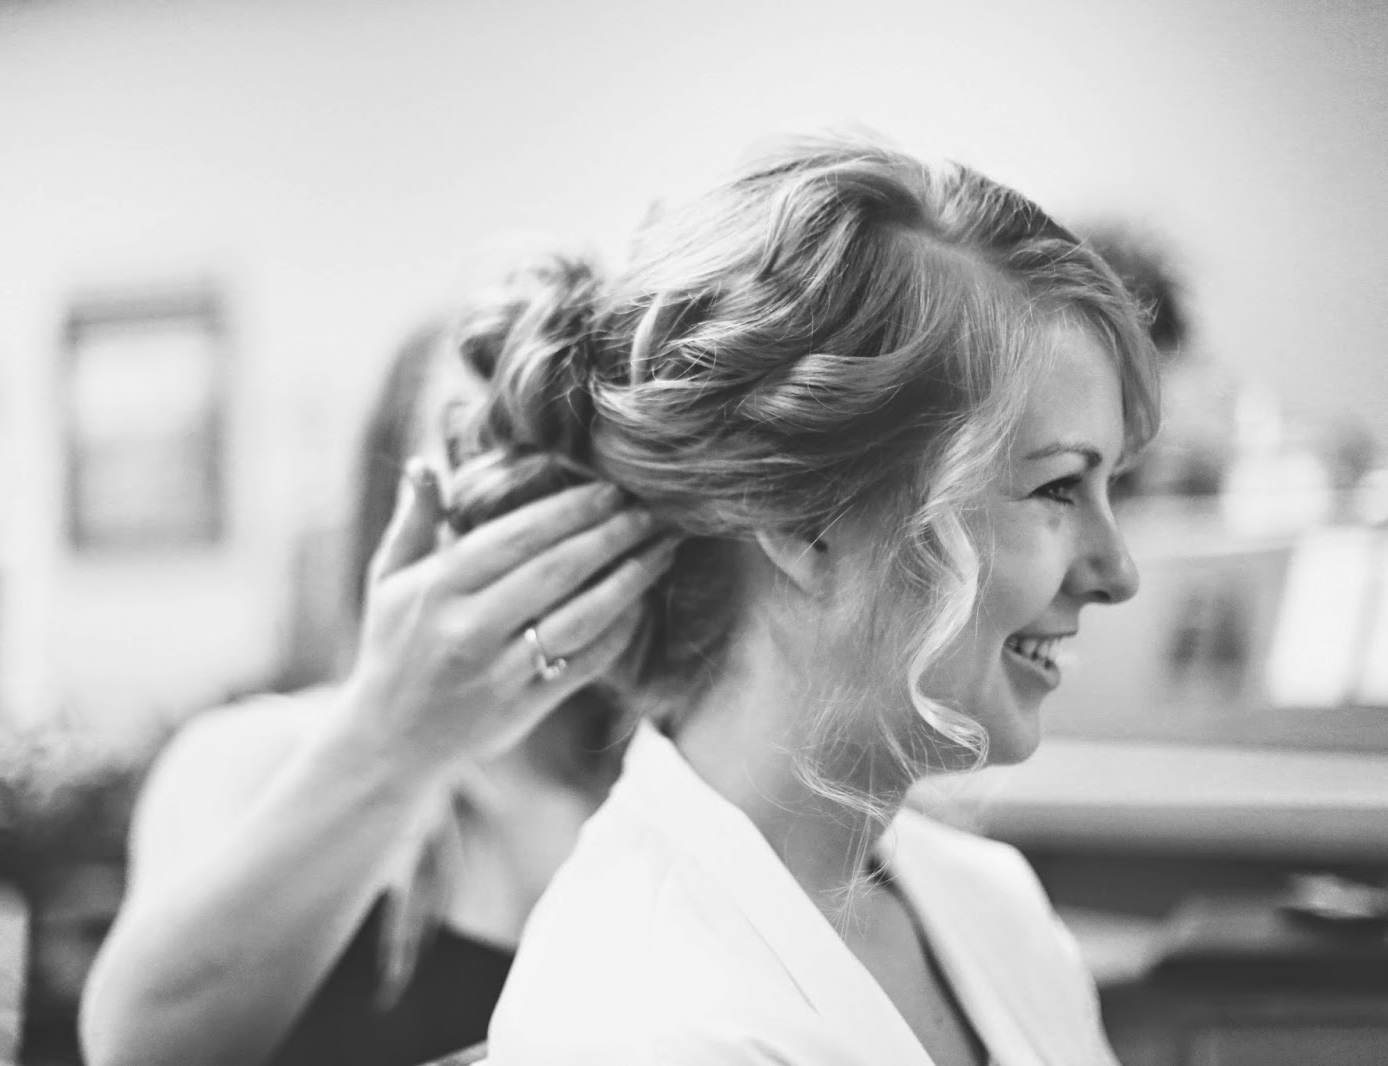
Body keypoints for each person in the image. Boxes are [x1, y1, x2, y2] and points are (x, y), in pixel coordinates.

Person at [434, 135, 1159, 1065]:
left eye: (1111, 488)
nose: (1118, 571)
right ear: (807, 520)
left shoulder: (992, 903)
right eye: (1057, 488)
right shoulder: (648, 1026)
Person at [78, 324, 675, 1066]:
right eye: (480, 444)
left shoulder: (666, 790)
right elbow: (135, 1053)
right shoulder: (249, 760)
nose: (526, 494)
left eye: (568, 447)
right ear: (394, 497)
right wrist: (398, 742)